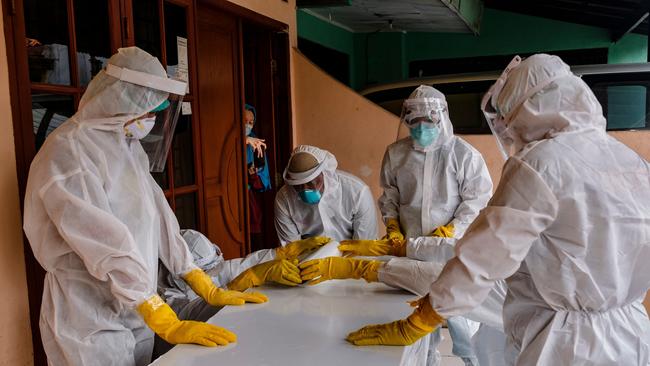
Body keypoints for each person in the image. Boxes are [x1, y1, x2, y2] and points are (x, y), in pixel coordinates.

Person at [344, 54, 650, 365]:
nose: (506, 125)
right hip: (632, 332)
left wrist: (420, 321)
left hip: (567, 343)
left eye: (510, 112)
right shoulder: (631, 160)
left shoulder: (540, 163)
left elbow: (483, 258)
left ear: (531, 107)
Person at [22, 47, 268, 366]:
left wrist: (197, 279)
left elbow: (159, 217)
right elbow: (107, 244)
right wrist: (161, 315)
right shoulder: (69, 153)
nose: (151, 120)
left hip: (138, 309)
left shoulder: (128, 147)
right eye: (148, 109)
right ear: (120, 99)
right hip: (90, 318)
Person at [336, 85, 493, 366]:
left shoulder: (463, 155)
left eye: (427, 121)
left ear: (442, 118)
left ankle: (472, 361)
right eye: (414, 122)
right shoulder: (396, 153)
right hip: (407, 247)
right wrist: (392, 225)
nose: (420, 128)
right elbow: (390, 196)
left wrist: (450, 230)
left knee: (459, 319)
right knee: (415, 317)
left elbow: (477, 201)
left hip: (448, 250)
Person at [155, 229, 329, 356]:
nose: (212, 273)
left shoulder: (193, 274)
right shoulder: (165, 299)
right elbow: (198, 312)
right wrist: (240, 284)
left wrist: (281, 254)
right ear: (180, 273)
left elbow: (235, 267)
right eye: (204, 272)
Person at [274, 145, 378, 244]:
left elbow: (365, 244)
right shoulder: (284, 199)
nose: (305, 190)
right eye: (298, 186)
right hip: (309, 258)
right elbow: (291, 247)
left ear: (324, 173)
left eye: (311, 183)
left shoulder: (357, 192)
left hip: (351, 257)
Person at [244, 104, 271, 238]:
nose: (248, 125)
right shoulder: (228, 139)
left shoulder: (256, 144)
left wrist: (253, 175)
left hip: (249, 200)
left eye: (251, 122)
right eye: (244, 121)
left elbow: (262, 182)